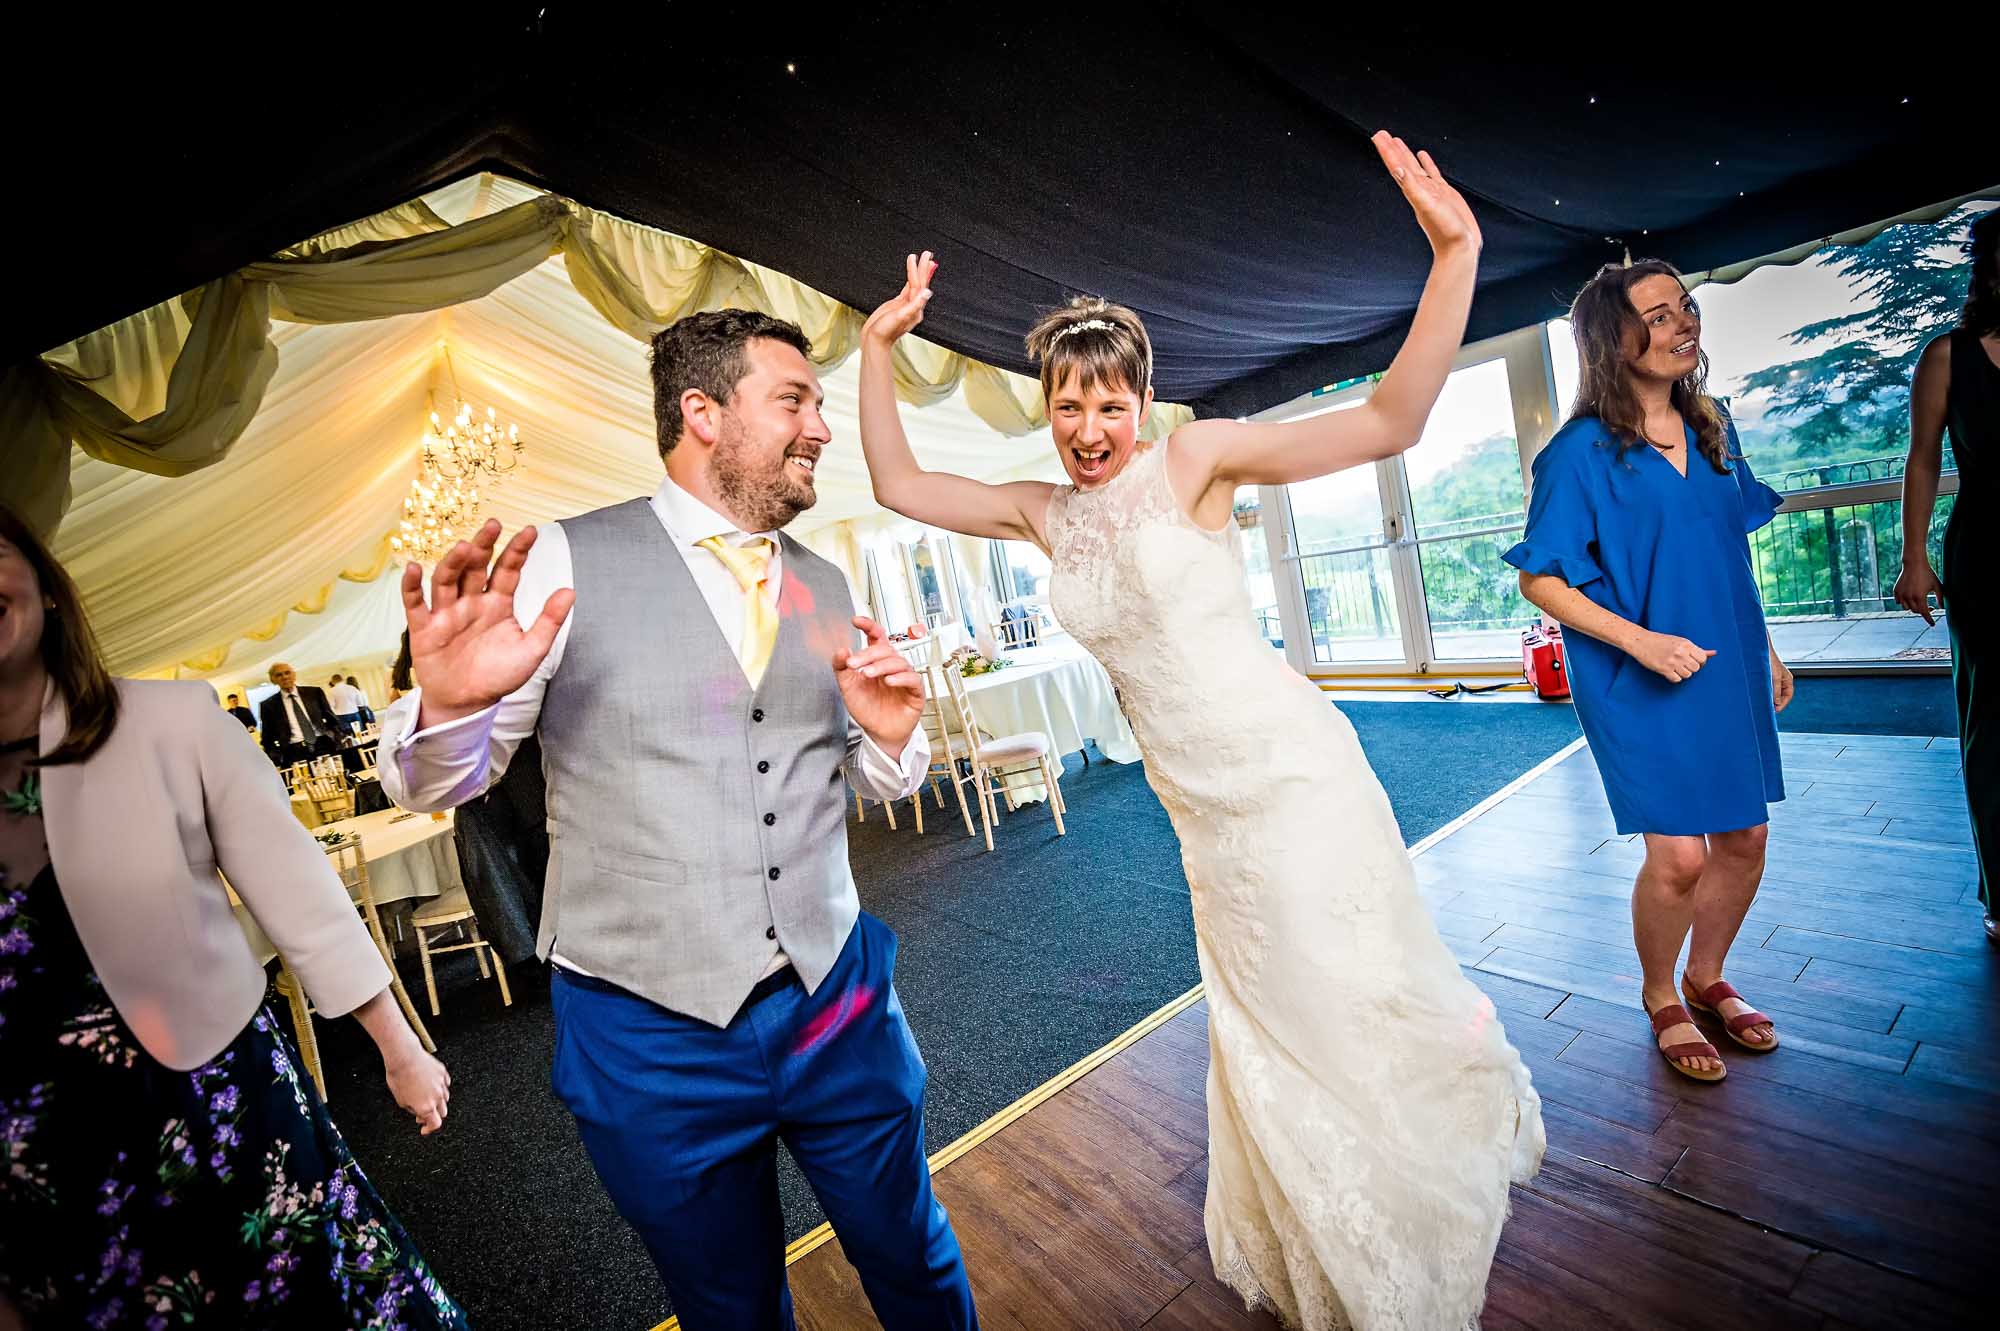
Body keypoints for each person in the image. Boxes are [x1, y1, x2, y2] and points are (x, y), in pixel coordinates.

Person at [856, 133, 1541, 1331]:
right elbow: (902, 487)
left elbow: (1386, 419)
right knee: (1268, 1004)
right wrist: (873, 349)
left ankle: (1398, 1186)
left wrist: (1457, 253)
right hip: (1198, 812)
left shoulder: (1196, 459)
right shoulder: (1040, 512)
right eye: (1066, 405)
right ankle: (1314, 1206)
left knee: (1336, 981)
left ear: (1139, 396)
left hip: (1287, 773)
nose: (1086, 426)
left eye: (1106, 401)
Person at [377, 309, 978, 1330]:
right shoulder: (567, 560)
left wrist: (884, 735)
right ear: (701, 412)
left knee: (911, 1251)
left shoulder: (823, 581)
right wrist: (447, 706)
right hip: (647, 1028)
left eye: (820, 404)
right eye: (794, 400)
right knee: (726, 1303)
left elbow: (854, 776)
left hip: (837, 1002)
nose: (821, 428)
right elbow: (438, 785)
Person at [0, 504, 464, 1329]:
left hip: (219, 1117)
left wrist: (401, 1051)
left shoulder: (170, 724)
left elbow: (303, 898)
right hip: (37, 1182)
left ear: (47, 583)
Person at [1507, 259, 1791, 1082]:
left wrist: (1764, 647)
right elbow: (1541, 577)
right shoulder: (1579, 454)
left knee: (1744, 836)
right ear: (1613, 339)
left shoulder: (1713, 425)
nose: (1681, 325)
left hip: (1724, 658)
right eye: (1658, 316)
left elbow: (1727, 549)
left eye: (1685, 309)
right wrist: (1641, 642)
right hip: (1636, 673)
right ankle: (1662, 992)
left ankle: (1709, 976)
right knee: (1679, 857)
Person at [1898, 208, 1997, 944]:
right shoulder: (1947, 357)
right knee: (1992, 726)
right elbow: (1924, 458)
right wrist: (1914, 556)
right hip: (1988, 553)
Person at [257, 662, 343, 766]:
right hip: (294, 753)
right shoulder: (268, 706)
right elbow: (267, 737)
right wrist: (277, 757)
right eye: (279, 675)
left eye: (287, 673)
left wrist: (337, 739)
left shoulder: (314, 693)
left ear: (294, 675)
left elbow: (332, 719)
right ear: (273, 680)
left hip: (323, 744)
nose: (284, 677)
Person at [326, 671, 367, 735]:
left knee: (348, 735)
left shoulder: (331, 691)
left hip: (341, 716)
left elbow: (331, 705)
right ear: (342, 680)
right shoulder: (352, 688)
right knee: (359, 734)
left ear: (333, 682)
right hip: (354, 714)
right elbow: (360, 702)